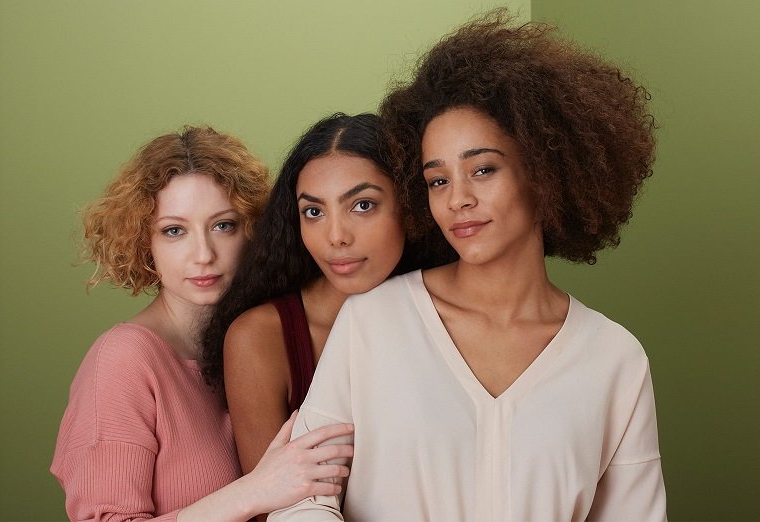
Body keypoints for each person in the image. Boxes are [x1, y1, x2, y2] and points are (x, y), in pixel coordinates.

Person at [269, 10, 666, 521]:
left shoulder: (615, 361)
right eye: (438, 180)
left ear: (544, 173)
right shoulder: (375, 322)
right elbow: (301, 498)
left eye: (482, 170)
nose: (458, 199)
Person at [50, 126, 354, 522]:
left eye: (222, 225)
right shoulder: (123, 360)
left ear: (252, 230)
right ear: (146, 244)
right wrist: (253, 491)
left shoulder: (257, 341)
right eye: (174, 231)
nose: (203, 254)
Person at [199, 114, 449, 518]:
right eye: (313, 212)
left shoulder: (448, 316)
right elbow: (271, 509)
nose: (336, 236)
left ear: (409, 207)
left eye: (362, 205)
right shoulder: (260, 339)